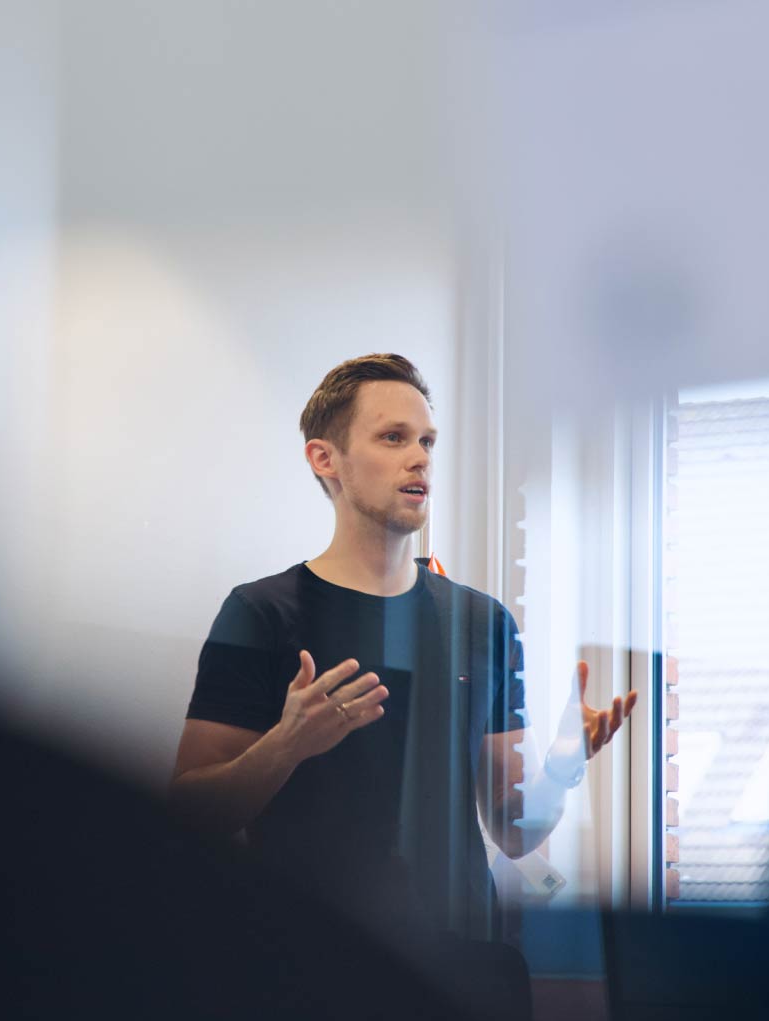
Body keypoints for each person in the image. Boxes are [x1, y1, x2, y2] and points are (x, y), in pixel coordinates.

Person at [170, 353, 637, 943]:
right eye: (393, 437)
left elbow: (515, 831)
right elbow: (190, 814)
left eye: (427, 441)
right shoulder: (261, 613)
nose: (420, 458)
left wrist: (566, 763)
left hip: (462, 963)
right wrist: (286, 745)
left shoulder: (482, 622)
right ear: (325, 458)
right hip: (307, 961)